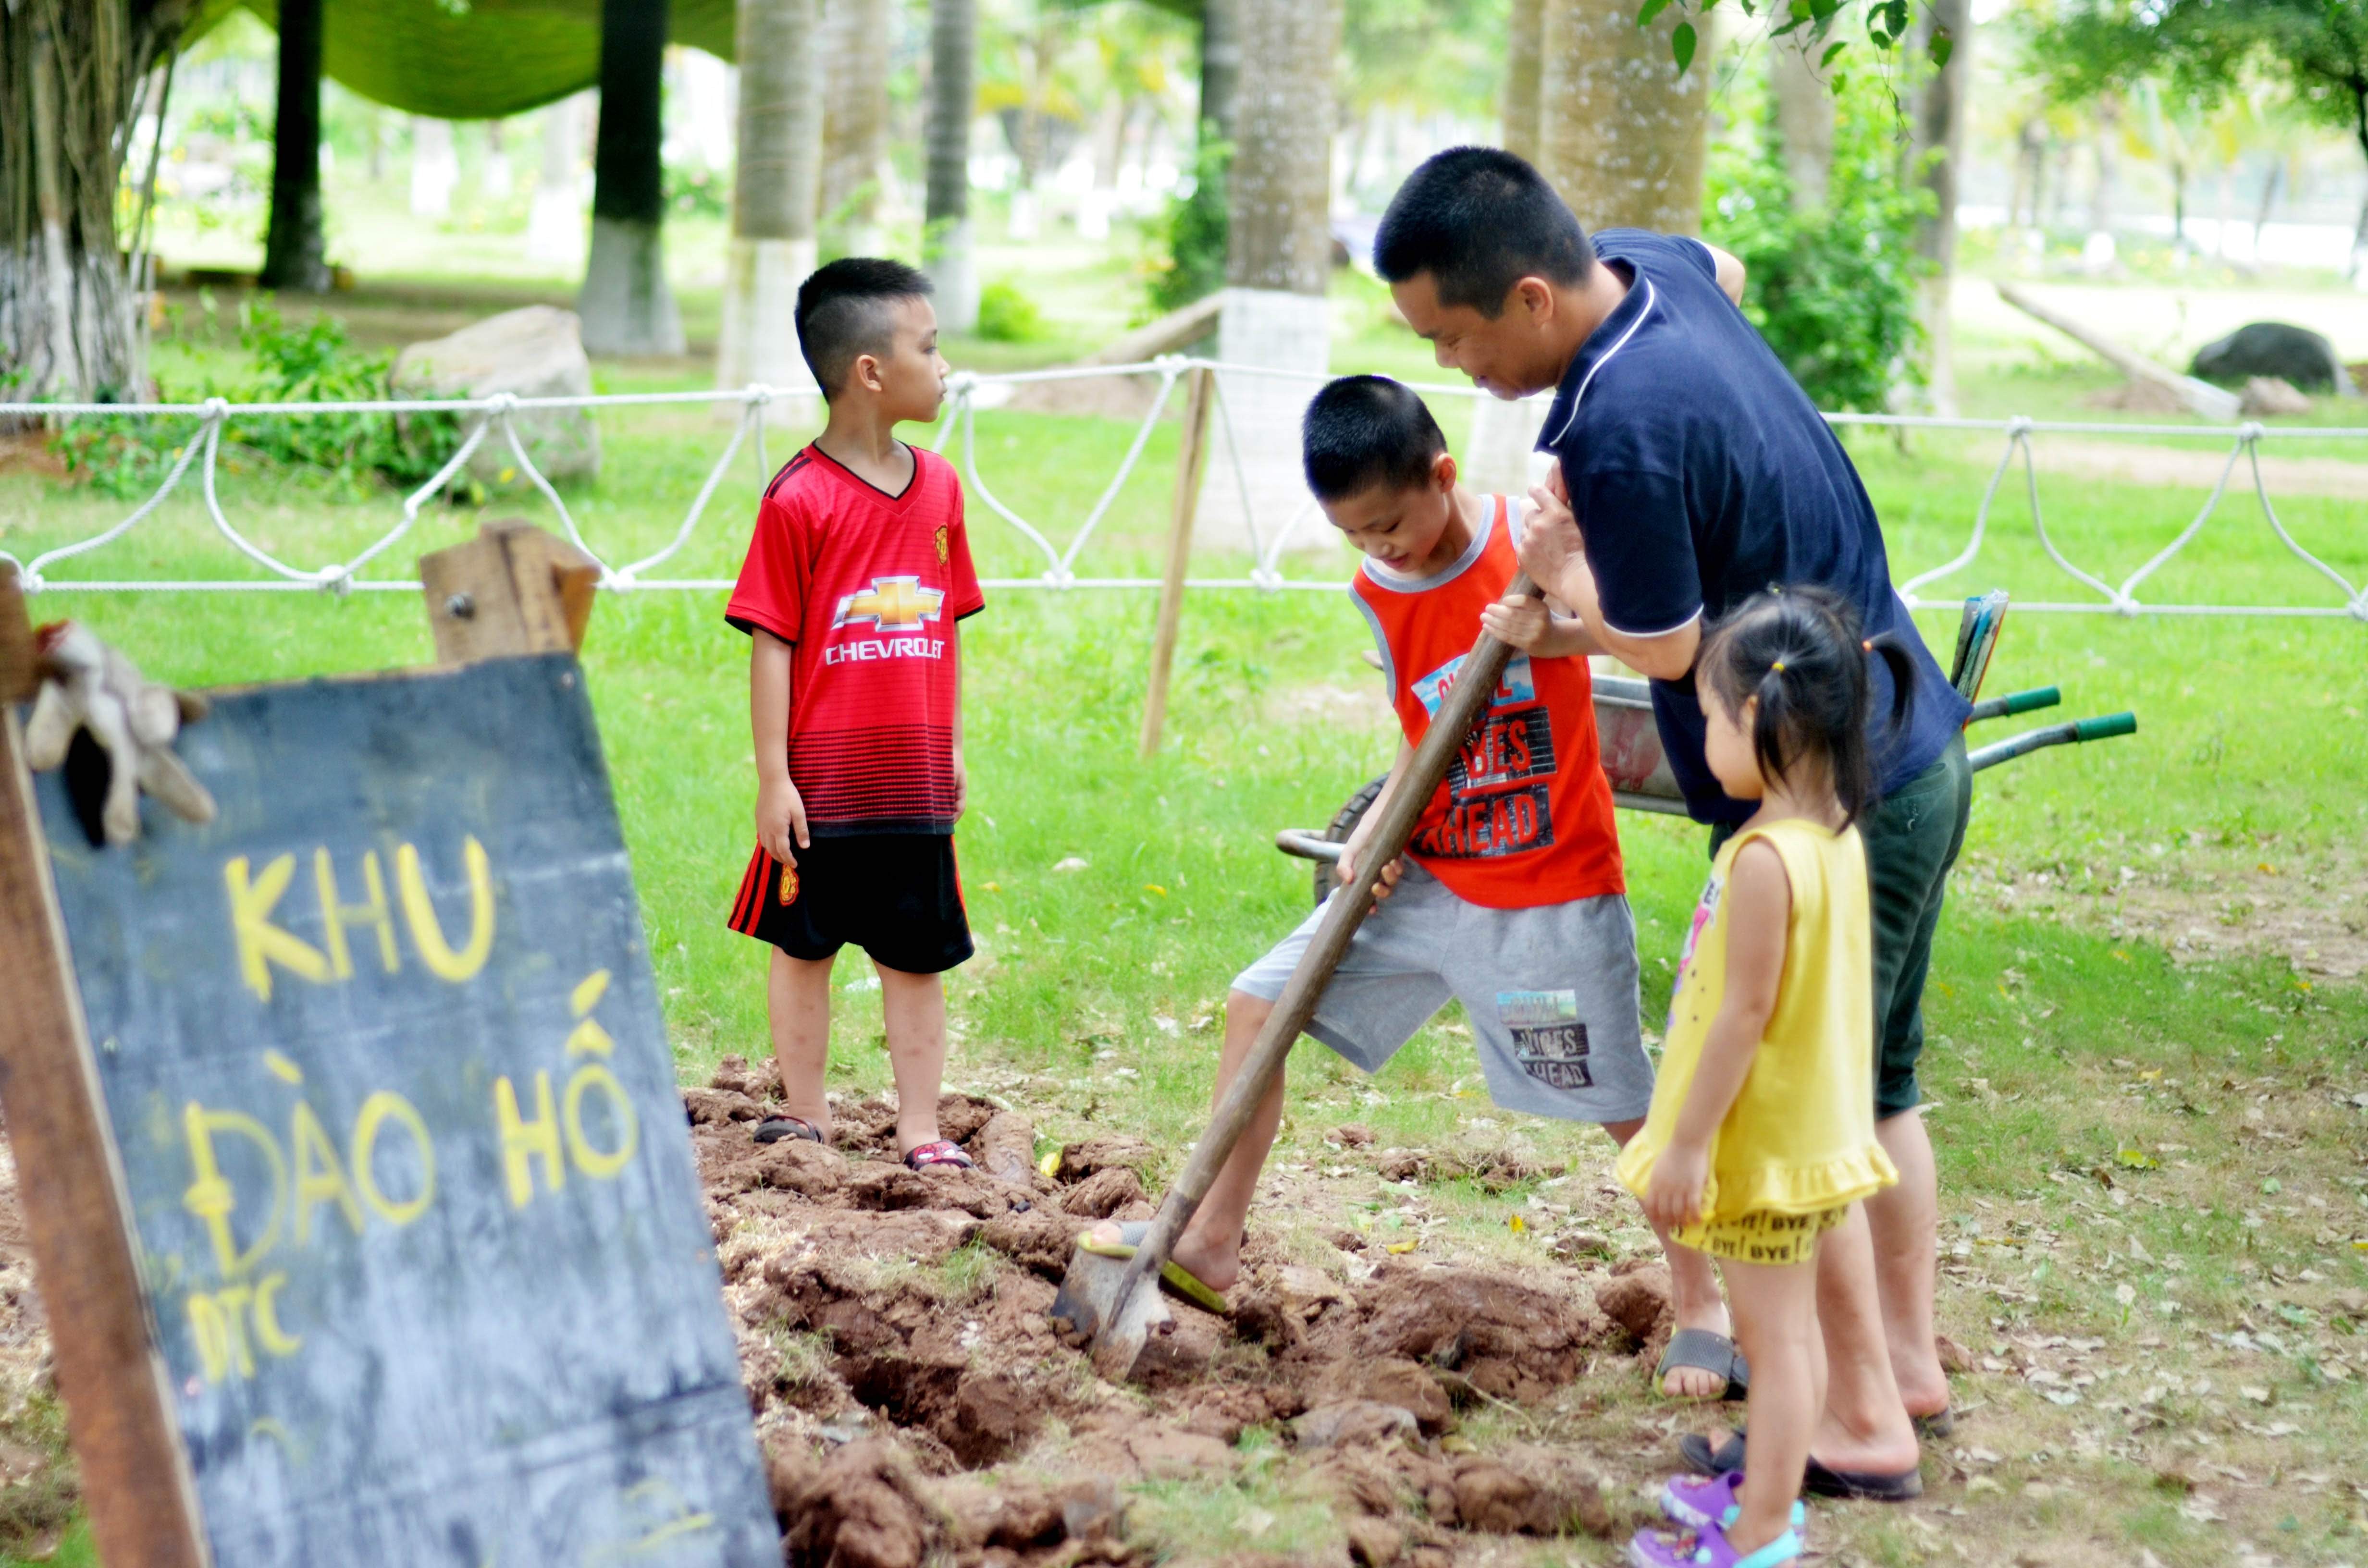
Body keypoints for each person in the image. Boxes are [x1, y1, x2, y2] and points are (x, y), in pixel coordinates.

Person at [1374, 147, 1972, 1485]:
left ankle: (1862, 1422)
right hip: (1912, 750)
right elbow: (1728, 266)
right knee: (1875, 1093)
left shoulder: (1621, 425)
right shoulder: (1652, 268)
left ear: (1532, 296)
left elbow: (1658, 644)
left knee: (1794, 1126)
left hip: (1826, 802)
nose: (1453, 365)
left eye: (1455, 337)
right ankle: (1909, 1369)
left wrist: (1551, 585)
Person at [1083, 375, 1726, 1366]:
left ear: (1444, 474)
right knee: (1259, 1006)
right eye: (1355, 536)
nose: (1378, 548)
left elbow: (1655, 641)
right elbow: (1422, 736)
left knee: (1617, 1101)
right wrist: (1370, 838)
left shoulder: (1537, 534)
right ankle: (1210, 1242)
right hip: (1430, 876)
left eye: (1389, 522)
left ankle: (1700, 1305)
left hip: (1549, 885)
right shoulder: (1378, 590)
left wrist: (1545, 627)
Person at [1622, 588, 1914, 1568]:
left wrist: (1690, 1145)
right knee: (1786, 1339)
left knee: (1779, 1346)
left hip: (1757, 1148)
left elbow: (1745, 1016)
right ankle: (1766, 1501)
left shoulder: (1762, 860)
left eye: (1707, 715)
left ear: (1753, 718)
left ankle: (1758, 1534)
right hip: (1809, 1134)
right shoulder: (1836, 834)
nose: (1702, 734)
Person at [723, 257, 985, 1172]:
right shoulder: (798, 499)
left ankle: (920, 1128)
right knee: (804, 948)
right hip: (823, 786)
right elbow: (771, 642)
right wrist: (773, 778)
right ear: (871, 371)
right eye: (930, 346)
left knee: (916, 959)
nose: (945, 365)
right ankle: (807, 1116)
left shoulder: (944, 489)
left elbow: (947, 625)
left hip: (911, 783)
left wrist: (947, 745)